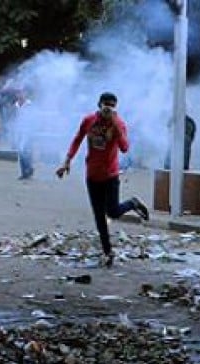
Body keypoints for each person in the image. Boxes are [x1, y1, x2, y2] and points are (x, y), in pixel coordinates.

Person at [56, 92, 149, 268]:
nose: (109, 108)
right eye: (106, 104)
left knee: (112, 212)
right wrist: (67, 161)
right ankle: (108, 252)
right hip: (92, 175)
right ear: (99, 104)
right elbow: (77, 139)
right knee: (99, 217)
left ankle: (133, 203)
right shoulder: (89, 120)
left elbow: (125, 148)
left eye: (112, 105)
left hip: (110, 175)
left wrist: (115, 125)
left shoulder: (119, 123)